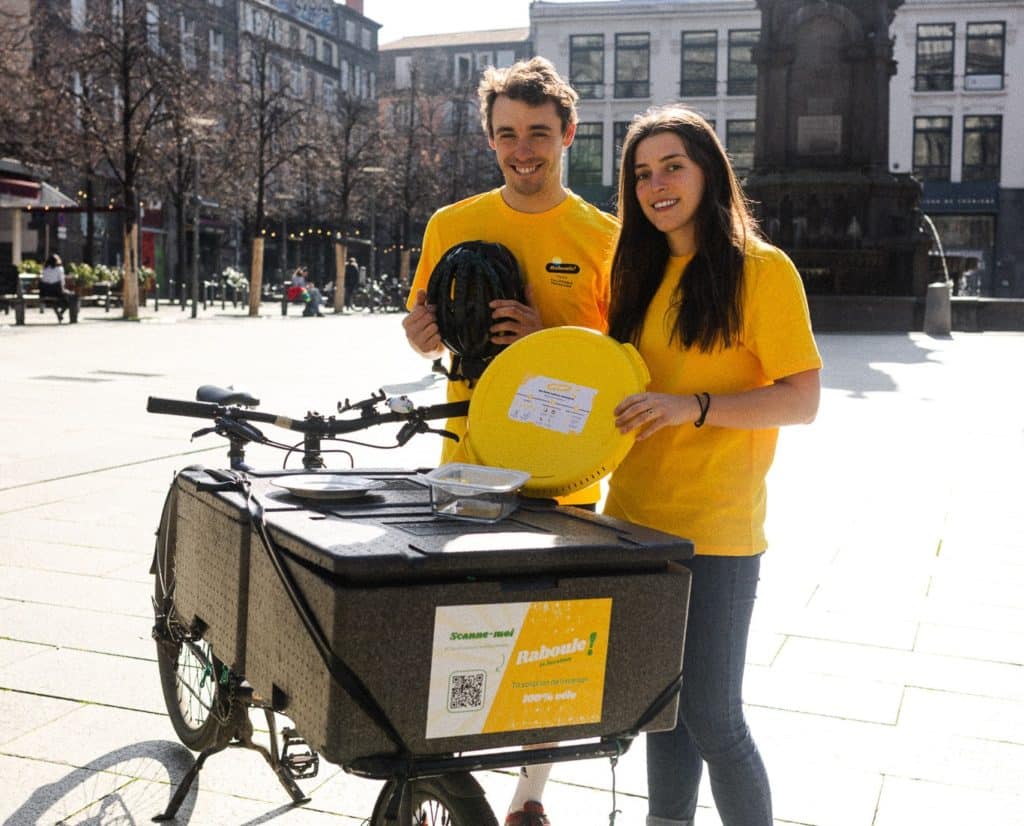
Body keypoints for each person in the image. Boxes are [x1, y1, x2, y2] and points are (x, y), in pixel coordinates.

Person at [401, 56, 619, 826]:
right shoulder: (451, 224)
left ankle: (531, 798)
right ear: (489, 138)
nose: (521, 149)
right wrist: (420, 335)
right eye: (505, 135)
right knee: (460, 623)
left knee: (555, 637)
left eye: (536, 132)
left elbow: (622, 363)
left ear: (567, 131)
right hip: (466, 459)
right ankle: (452, 777)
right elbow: (423, 330)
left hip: (564, 470)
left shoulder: (604, 236)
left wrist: (546, 336)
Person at [605, 105, 822, 826]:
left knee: (714, 718)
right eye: (641, 173)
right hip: (634, 521)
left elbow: (801, 400)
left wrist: (689, 406)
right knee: (662, 712)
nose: (656, 184)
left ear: (709, 173)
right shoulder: (637, 272)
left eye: (672, 166)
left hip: (718, 532)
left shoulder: (761, 270)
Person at [39, 254, 78, 324]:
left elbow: (43, 280)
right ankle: (61, 314)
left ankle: (58, 314)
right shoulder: (60, 269)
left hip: (45, 292)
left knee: (53, 302)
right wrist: (64, 290)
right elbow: (62, 282)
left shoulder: (45, 269)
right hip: (57, 292)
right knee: (71, 298)